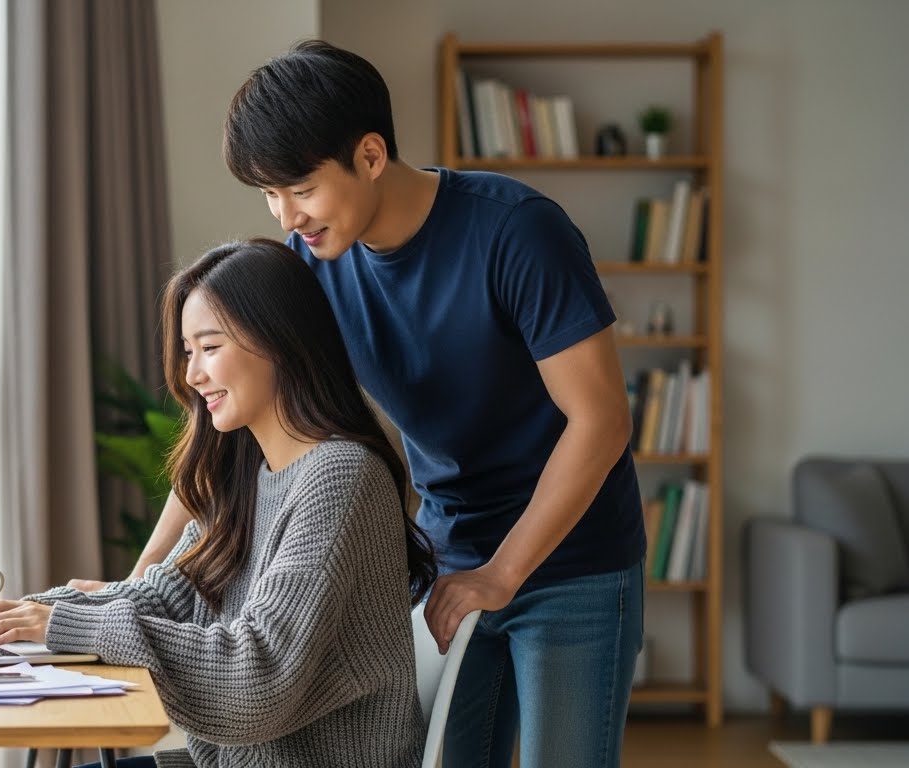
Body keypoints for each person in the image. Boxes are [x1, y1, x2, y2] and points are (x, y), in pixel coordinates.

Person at [118, 41, 647, 768]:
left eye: (300, 188)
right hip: (450, 551)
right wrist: (144, 575)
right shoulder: (312, 263)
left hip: (571, 560)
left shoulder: (516, 231)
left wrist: (502, 573)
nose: (286, 217)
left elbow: (601, 420)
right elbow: (236, 423)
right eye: (269, 195)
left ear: (370, 155)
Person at [0, 238, 438, 767]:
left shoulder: (341, 476)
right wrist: (25, 615)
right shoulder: (246, 480)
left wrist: (63, 624)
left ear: (281, 343)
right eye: (187, 351)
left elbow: (256, 678)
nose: (192, 375)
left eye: (210, 347)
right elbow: (161, 597)